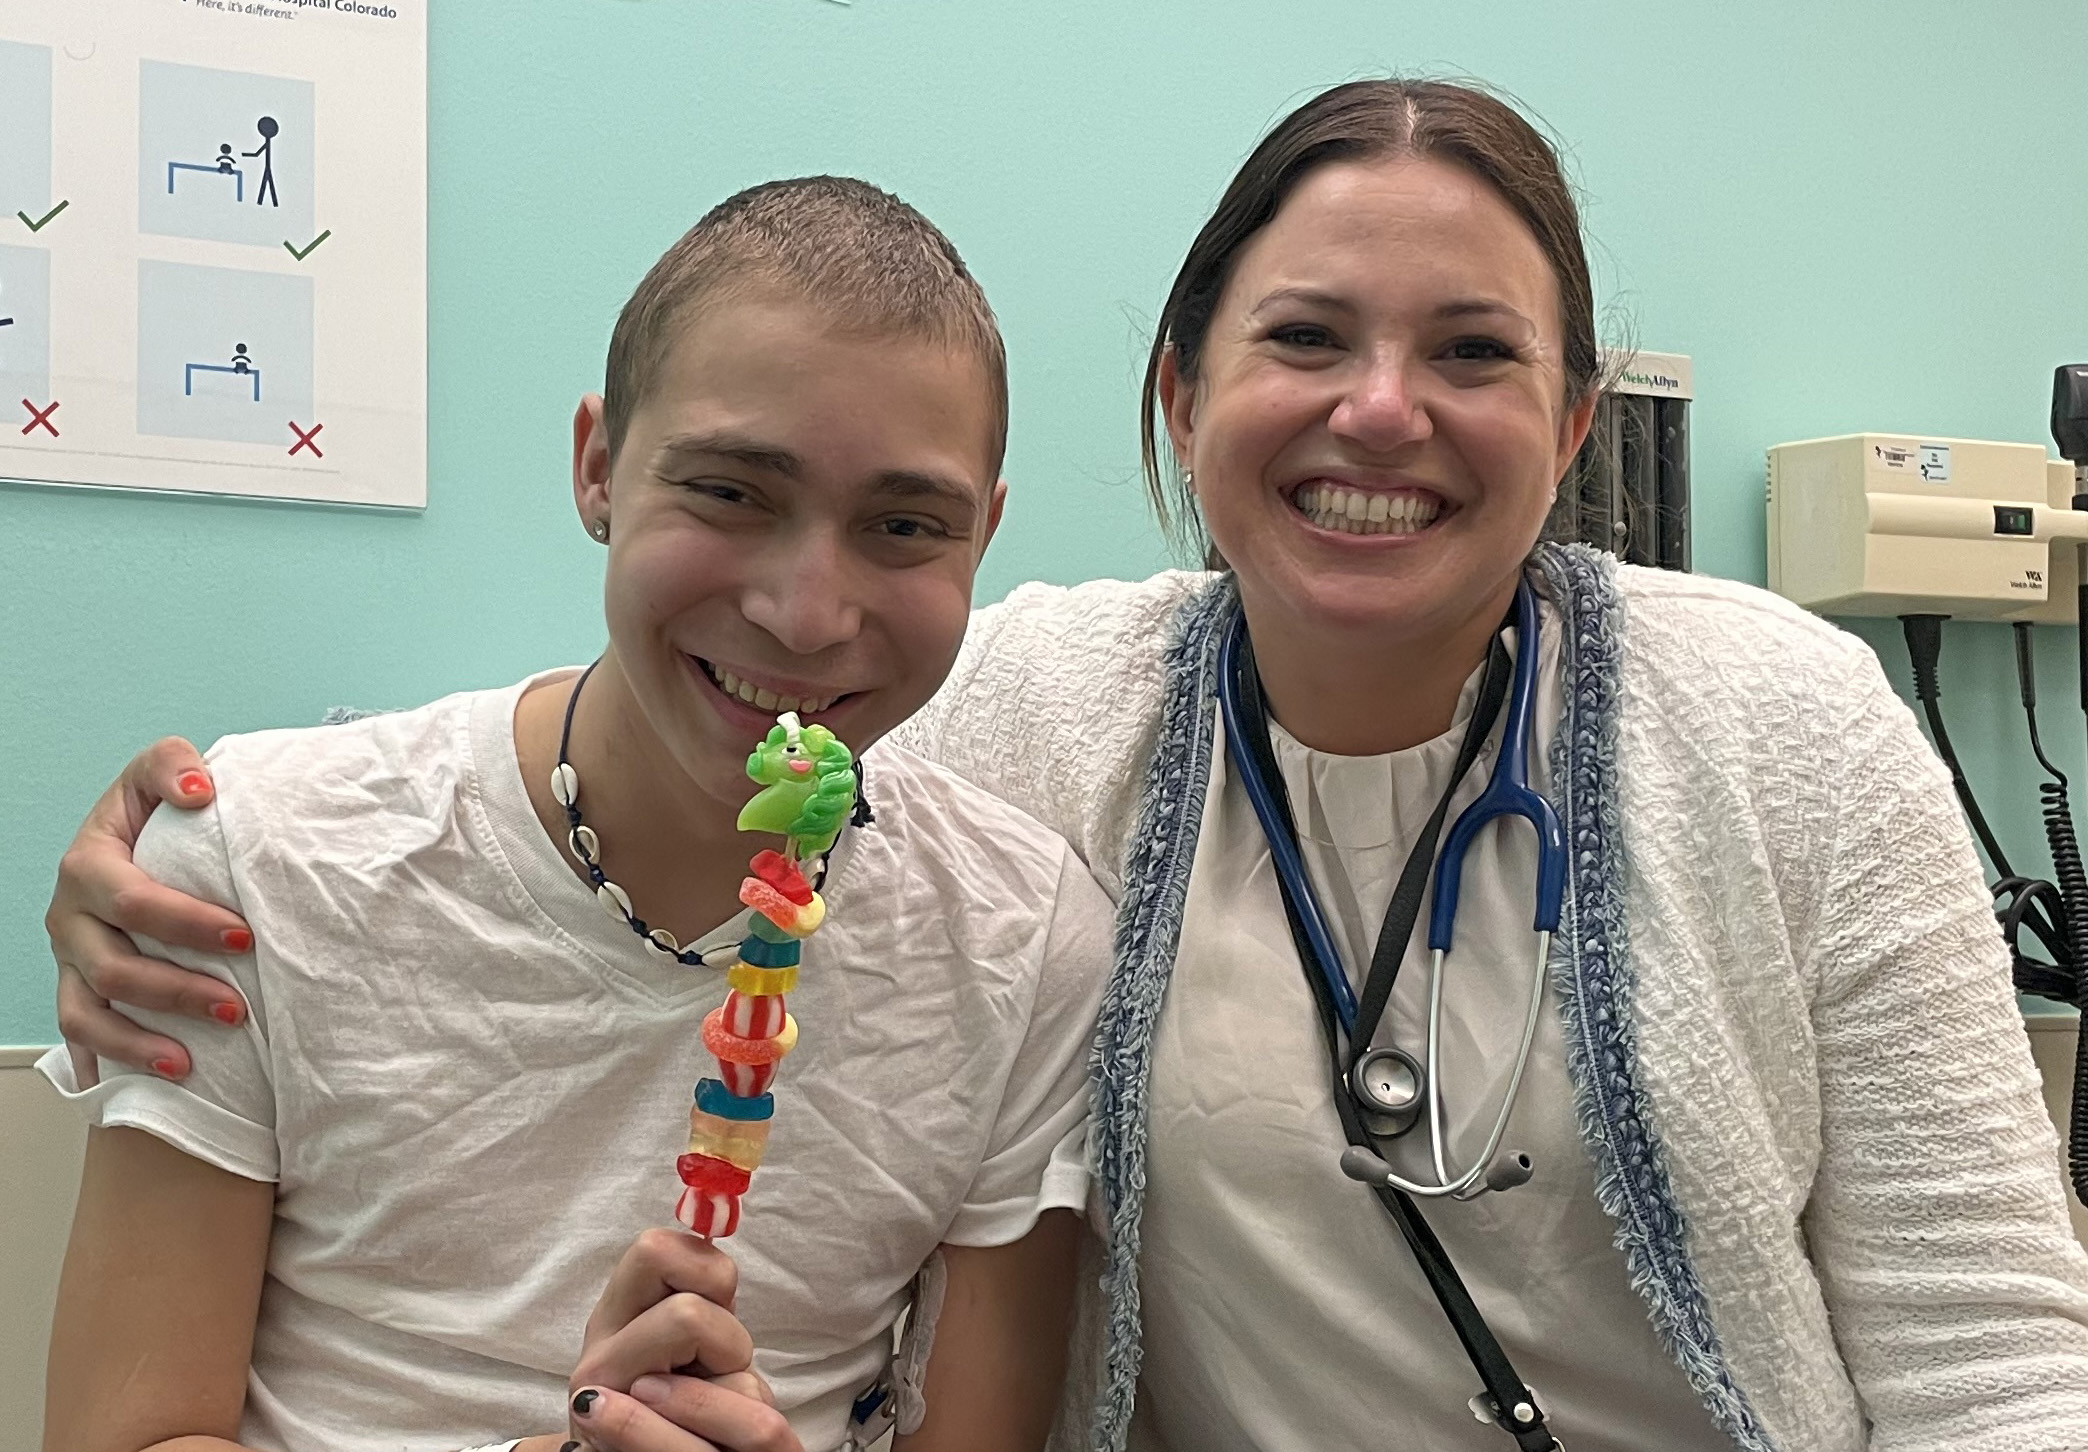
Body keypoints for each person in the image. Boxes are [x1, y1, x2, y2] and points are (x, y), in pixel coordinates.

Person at [49, 79, 2088, 1452]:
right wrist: (211, 834)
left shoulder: (1790, 731)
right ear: (1186, 397)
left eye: (1473, 351)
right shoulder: (1037, 717)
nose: (1381, 412)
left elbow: (1998, 1350)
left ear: (1570, 430)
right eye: (1306, 339)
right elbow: (678, 719)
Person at [37, 177, 1110, 1452]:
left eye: (902, 526)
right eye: (728, 492)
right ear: (599, 466)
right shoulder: (259, 856)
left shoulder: (1028, 942)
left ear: (982, 537)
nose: (808, 613)